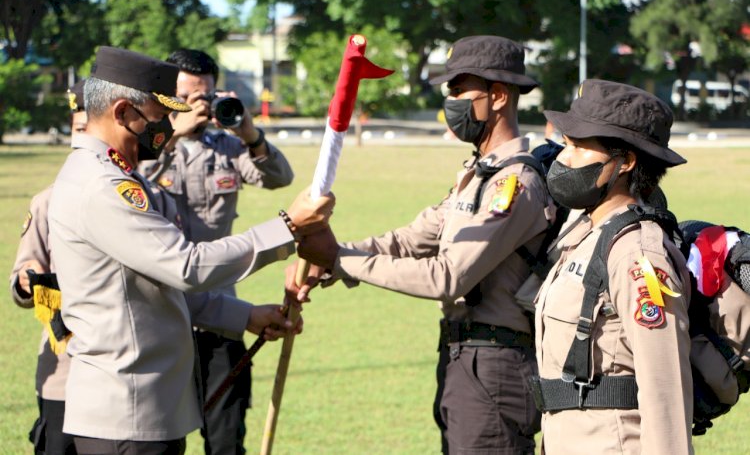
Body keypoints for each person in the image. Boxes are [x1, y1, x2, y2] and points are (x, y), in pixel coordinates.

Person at [46, 46, 334, 454]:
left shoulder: (113, 175)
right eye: (161, 113)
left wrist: (245, 315)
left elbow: (157, 286)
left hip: (145, 408)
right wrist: (288, 228)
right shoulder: (103, 186)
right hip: (127, 415)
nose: (168, 123)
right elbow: (185, 266)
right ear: (125, 112)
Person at [290, 35, 556, 454]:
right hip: (461, 357)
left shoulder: (515, 184)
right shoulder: (478, 173)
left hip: (496, 364)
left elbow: (448, 277)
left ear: (499, 96)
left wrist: (340, 260)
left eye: (458, 90)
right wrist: (330, 259)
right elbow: (412, 239)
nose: (451, 102)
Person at [138, 48, 294, 455]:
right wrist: (171, 133)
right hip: (162, 315)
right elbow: (128, 181)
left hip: (222, 312)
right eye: (188, 96)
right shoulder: (145, 144)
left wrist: (249, 133)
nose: (199, 104)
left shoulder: (225, 146)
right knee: (157, 441)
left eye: (205, 95)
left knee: (225, 438)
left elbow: (280, 178)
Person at [532, 79, 693, 453]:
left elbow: (665, 389)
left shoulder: (638, 253)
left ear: (626, 162)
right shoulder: (587, 232)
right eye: (565, 143)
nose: (562, 159)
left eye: (578, 147)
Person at [9, 79, 87, 455]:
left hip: (124, 380)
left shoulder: (142, 200)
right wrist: (26, 278)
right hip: (62, 371)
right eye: (78, 129)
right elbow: (24, 266)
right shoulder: (47, 202)